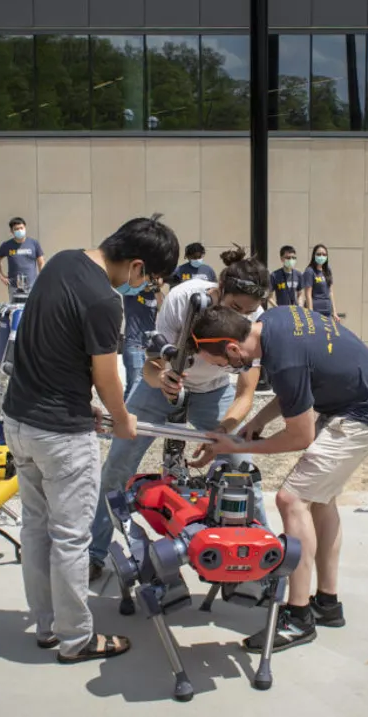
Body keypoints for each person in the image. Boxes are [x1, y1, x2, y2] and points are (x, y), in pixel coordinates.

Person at [2, 215, 178, 664]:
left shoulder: (61, 262)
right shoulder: (105, 300)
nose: (147, 288)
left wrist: (90, 405)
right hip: (61, 435)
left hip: (21, 422)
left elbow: (52, 345)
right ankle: (77, 639)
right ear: (137, 266)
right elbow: (106, 376)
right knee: (71, 538)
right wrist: (122, 419)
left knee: (36, 530)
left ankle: (47, 627)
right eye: (151, 279)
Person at [188, 304, 368, 652]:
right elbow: (297, 386)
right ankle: (327, 604)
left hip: (363, 415)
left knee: (292, 499)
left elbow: (301, 437)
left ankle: (299, 617)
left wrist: (237, 445)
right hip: (357, 402)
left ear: (233, 349)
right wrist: (256, 422)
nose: (220, 370)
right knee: (319, 497)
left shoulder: (284, 358)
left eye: (219, 363)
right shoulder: (273, 321)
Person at [88, 246, 272, 580]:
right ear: (219, 290)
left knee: (241, 470)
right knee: (117, 467)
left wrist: (224, 435)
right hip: (160, 390)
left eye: (250, 312)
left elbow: (246, 393)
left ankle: (266, 558)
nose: (242, 319)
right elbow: (150, 366)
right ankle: (93, 553)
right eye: (234, 308)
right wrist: (161, 378)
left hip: (214, 391)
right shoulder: (183, 300)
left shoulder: (255, 322)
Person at [121, 280, 160, 399]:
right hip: (135, 346)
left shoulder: (155, 295)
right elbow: (126, 284)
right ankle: (123, 417)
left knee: (144, 390)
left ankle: (135, 416)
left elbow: (162, 306)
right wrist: (145, 283)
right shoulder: (132, 292)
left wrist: (156, 288)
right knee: (133, 388)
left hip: (150, 349)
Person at [0, 217, 45, 299]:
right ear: (12, 231)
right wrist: (1, 275)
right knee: (15, 310)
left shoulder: (34, 243)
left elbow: (41, 262)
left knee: (31, 310)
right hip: (14, 286)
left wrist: (42, 278)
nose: (20, 230)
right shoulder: (6, 245)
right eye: (16, 229)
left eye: (21, 228)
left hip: (32, 286)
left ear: (25, 228)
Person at [302, 244, 338, 321]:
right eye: (318, 254)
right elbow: (308, 294)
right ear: (314, 256)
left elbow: (330, 292)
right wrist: (311, 313)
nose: (321, 256)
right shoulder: (309, 271)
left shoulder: (327, 270)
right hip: (316, 312)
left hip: (327, 311)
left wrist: (334, 312)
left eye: (324, 254)